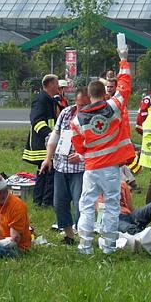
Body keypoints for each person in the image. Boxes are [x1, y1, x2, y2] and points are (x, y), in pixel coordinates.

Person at [71, 45, 134, 255]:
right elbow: (124, 87)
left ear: (89, 95)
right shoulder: (114, 106)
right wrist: (123, 59)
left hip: (91, 168)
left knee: (87, 205)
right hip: (111, 169)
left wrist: (86, 152)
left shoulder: (78, 119)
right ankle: (108, 246)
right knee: (111, 205)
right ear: (103, 92)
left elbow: (79, 146)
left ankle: (85, 245)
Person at [40, 87, 88, 245]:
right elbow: (56, 135)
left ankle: (84, 238)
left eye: (85, 105)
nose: (82, 109)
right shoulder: (66, 113)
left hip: (80, 169)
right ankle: (69, 236)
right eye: (80, 105)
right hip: (61, 167)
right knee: (59, 203)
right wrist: (48, 158)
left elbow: (98, 145)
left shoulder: (94, 118)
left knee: (81, 203)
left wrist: (81, 156)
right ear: (75, 101)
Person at [23, 74, 60, 207]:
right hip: (42, 143)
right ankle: (45, 201)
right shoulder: (40, 100)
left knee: (44, 172)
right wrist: (50, 135)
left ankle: (40, 201)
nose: (58, 86)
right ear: (49, 84)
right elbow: (36, 121)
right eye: (56, 84)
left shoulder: (50, 100)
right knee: (48, 172)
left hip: (47, 142)